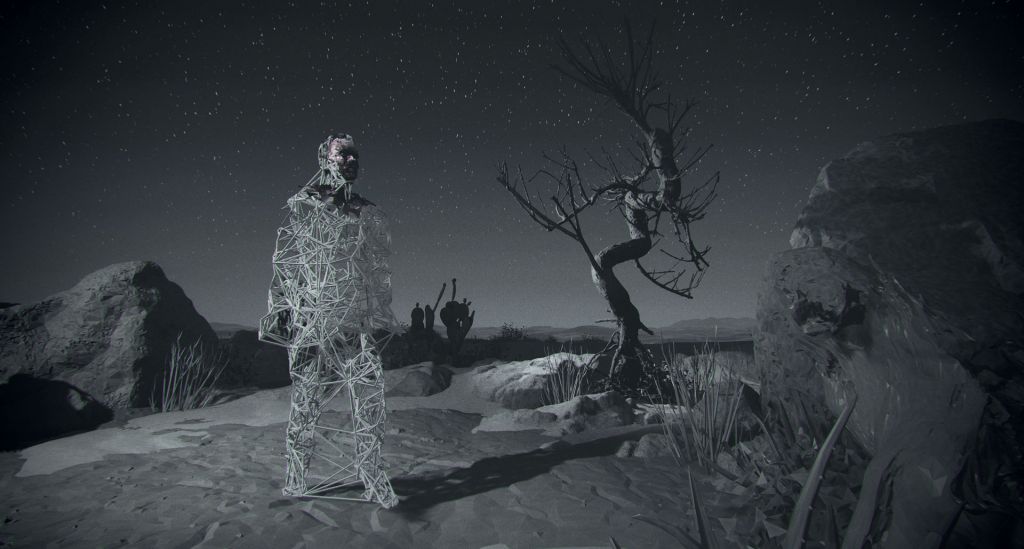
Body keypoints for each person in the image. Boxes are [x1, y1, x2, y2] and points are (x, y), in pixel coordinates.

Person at [259, 133, 398, 508]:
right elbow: (285, 262)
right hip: (313, 321)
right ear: (325, 159)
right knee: (306, 403)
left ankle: (372, 477)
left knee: (370, 398)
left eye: (355, 156)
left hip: (355, 323)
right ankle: (297, 479)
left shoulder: (370, 213)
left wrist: (381, 313)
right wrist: (280, 307)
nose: (351, 161)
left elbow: (378, 269)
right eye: (343, 155)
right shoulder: (304, 206)